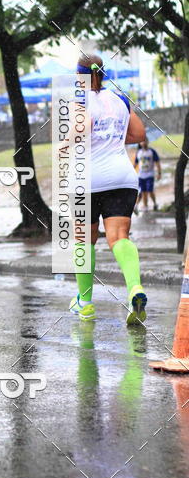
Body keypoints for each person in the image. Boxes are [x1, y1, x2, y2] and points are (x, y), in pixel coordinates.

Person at [69, 54, 147, 326]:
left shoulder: (77, 100)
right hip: (123, 177)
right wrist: (111, 134)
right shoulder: (120, 99)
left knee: (84, 240)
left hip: (87, 178)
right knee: (119, 237)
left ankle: (86, 303)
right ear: (102, 73)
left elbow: (81, 130)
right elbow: (138, 134)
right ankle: (135, 288)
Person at [134, 138, 161, 212]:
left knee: (150, 191)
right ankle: (145, 206)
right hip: (141, 175)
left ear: (148, 142)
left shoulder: (151, 152)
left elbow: (157, 162)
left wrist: (159, 173)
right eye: (142, 141)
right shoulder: (138, 152)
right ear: (140, 143)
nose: (144, 143)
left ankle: (155, 203)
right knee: (142, 191)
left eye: (145, 141)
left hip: (150, 175)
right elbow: (135, 164)